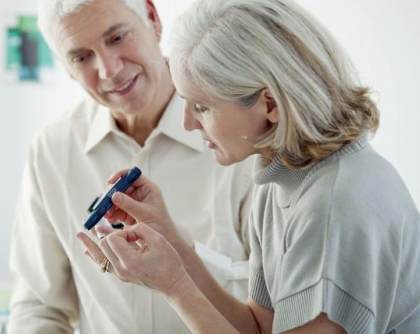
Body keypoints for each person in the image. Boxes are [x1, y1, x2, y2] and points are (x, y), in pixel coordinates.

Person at [77, 0, 420, 333]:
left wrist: (173, 286)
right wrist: (172, 243)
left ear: (269, 104)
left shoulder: (335, 205)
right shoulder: (280, 179)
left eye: (201, 107)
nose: (188, 123)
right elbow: (258, 327)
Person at [7, 0, 255, 333]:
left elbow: (278, 303)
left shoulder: (242, 132)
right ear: (66, 68)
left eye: (117, 37)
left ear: (152, 18)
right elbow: (39, 304)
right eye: (82, 57)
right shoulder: (52, 151)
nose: (109, 69)